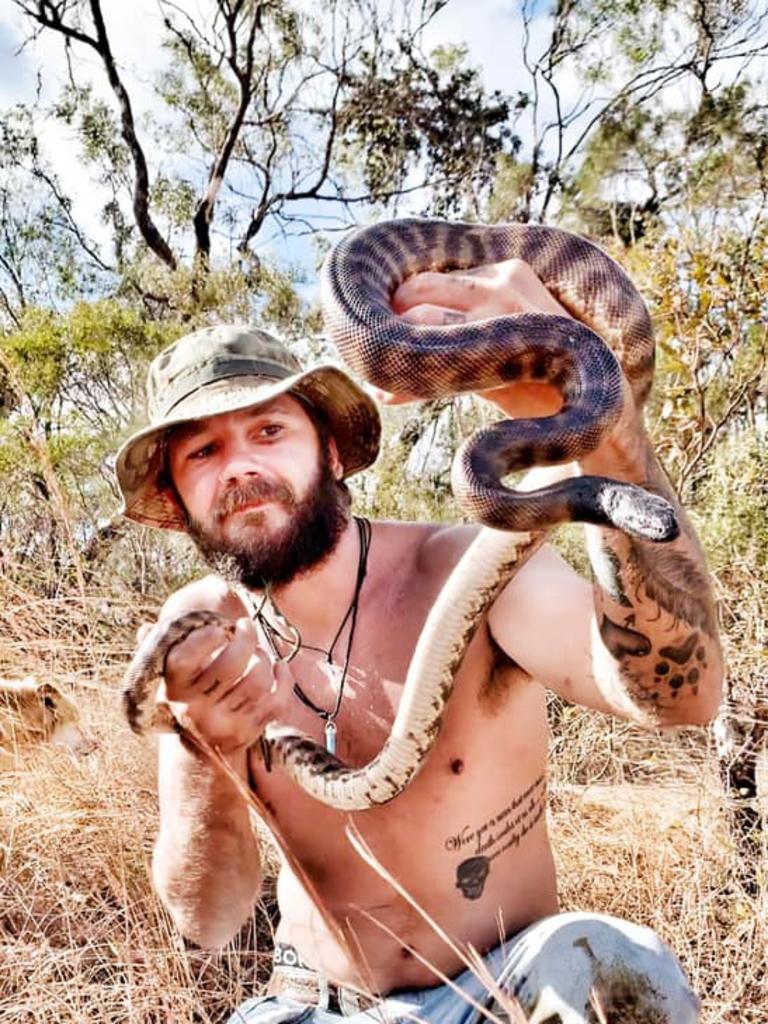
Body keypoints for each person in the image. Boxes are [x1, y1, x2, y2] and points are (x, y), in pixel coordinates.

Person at [116, 258, 722, 1024]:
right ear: (175, 497)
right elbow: (206, 920)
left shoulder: (472, 566)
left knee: (618, 973)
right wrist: (211, 757)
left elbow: (687, 699)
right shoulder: (203, 632)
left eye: (269, 430)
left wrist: (601, 428)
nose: (240, 466)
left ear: (331, 450)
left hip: (501, 985)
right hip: (310, 1002)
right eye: (202, 452)